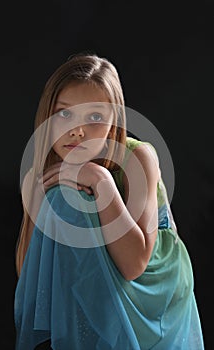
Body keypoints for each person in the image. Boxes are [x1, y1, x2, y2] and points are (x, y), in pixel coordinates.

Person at [14, 53, 204, 350]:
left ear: (115, 121)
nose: (77, 131)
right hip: (97, 287)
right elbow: (34, 280)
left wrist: (99, 180)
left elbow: (134, 265)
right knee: (59, 199)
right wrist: (40, 204)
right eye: (64, 114)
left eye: (94, 118)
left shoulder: (138, 157)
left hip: (155, 290)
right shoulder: (44, 177)